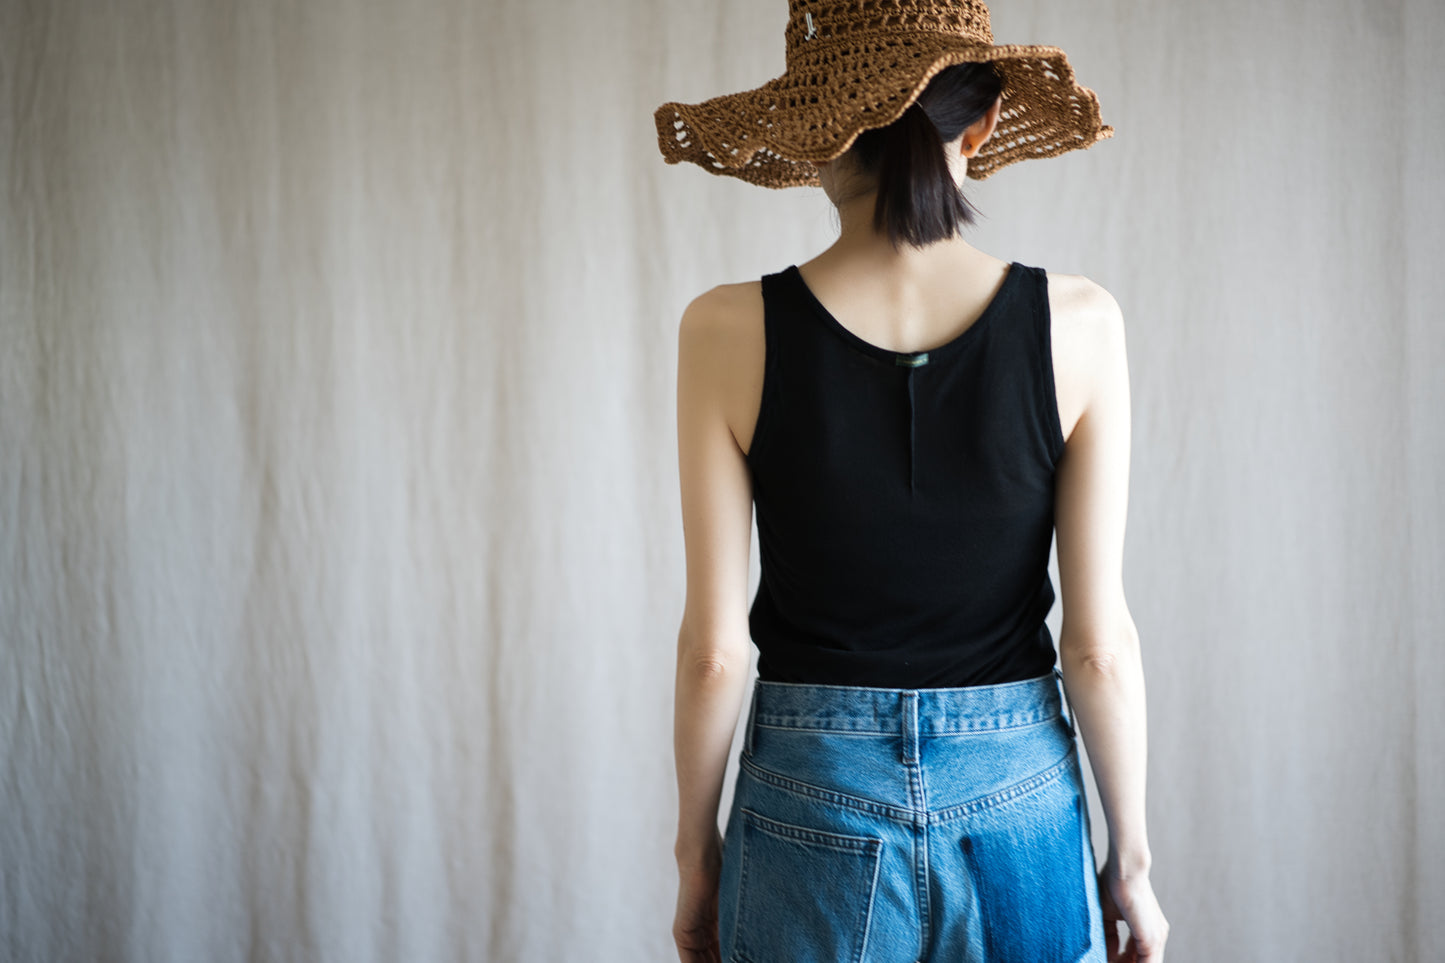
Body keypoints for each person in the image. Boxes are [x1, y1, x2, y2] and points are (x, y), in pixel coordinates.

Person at [655, 2, 1167, 961]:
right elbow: (1096, 647)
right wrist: (1128, 858)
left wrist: (696, 853)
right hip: (1018, 788)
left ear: (816, 138)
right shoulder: (1082, 323)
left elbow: (714, 654)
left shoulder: (722, 329)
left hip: (809, 785)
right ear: (979, 126)